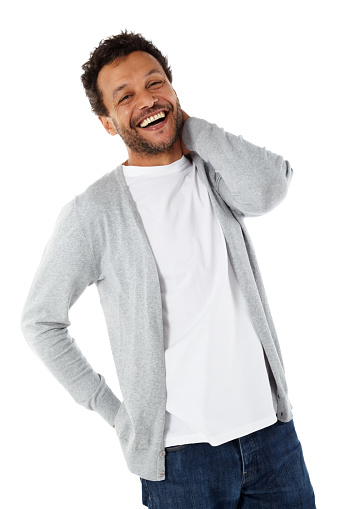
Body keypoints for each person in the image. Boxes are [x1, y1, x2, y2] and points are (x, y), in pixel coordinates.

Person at [21, 30, 316, 508]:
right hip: (181, 461)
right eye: (126, 96)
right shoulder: (93, 211)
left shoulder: (215, 173)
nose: (146, 99)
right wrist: (116, 413)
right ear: (108, 123)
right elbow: (40, 322)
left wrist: (188, 126)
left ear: (174, 91)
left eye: (154, 83)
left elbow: (269, 189)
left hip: (272, 439)